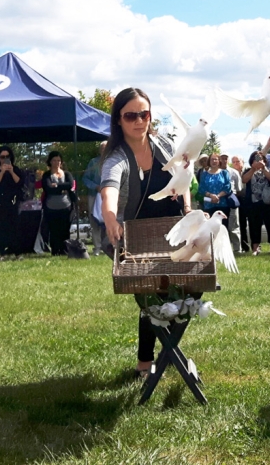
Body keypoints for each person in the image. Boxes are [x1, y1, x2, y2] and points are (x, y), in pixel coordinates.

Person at [101, 88, 190, 378]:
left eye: (145, 114)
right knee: (151, 297)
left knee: (188, 291)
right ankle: (145, 363)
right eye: (131, 116)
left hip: (174, 230)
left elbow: (183, 176)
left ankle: (168, 351)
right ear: (118, 120)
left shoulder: (164, 143)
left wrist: (187, 206)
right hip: (135, 237)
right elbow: (109, 190)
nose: (139, 121)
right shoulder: (116, 157)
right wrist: (110, 218)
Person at [243, 151, 270, 256]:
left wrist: (263, 168)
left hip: (269, 202)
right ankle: (255, 249)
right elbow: (244, 180)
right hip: (253, 203)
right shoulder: (247, 170)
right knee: (254, 225)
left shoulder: (269, 169)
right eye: (256, 159)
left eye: (260, 159)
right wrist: (253, 168)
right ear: (251, 161)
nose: (258, 161)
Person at [42, 150, 75, 256]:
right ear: (50, 162)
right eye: (54, 160)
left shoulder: (67, 174)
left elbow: (70, 184)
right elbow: (47, 188)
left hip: (66, 206)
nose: (57, 163)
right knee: (54, 230)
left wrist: (56, 186)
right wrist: (61, 188)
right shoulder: (47, 175)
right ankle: (55, 251)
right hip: (51, 207)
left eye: (59, 160)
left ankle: (65, 251)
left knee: (65, 230)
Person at [0, 145, 23, 256]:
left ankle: (16, 251)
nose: (5, 159)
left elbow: (20, 183)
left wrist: (11, 171)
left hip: (13, 201)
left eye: (7, 156)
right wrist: (2, 171)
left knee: (15, 227)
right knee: (0, 227)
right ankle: (1, 250)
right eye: (2, 157)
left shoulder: (16, 169)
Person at [82, 143, 107, 256]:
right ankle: (97, 248)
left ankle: (109, 247)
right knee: (95, 221)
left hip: (110, 196)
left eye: (106, 148)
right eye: (102, 148)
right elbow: (85, 179)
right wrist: (96, 187)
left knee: (110, 220)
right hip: (94, 195)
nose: (104, 150)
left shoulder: (114, 161)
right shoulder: (93, 162)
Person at [198, 154, 232, 224]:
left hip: (223, 205)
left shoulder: (224, 173)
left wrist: (218, 196)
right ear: (209, 162)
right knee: (210, 229)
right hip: (209, 205)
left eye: (215, 159)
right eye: (211, 159)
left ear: (219, 161)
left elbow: (228, 187)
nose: (213, 161)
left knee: (223, 228)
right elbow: (201, 189)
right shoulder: (204, 174)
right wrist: (211, 196)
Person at [220, 154, 243, 253]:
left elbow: (239, 189)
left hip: (231, 199)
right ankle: (223, 249)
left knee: (234, 226)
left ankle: (237, 249)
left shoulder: (234, 172)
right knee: (221, 226)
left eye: (226, 158)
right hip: (219, 201)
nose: (224, 160)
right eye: (222, 158)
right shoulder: (215, 172)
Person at [230, 155, 250, 252]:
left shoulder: (248, 170)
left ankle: (254, 245)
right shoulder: (231, 173)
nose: (236, 163)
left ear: (243, 162)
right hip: (238, 199)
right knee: (240, 223)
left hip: (249, 199)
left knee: (251, 223)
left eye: (237, 161)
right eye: (233, 162)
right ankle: (243, 245)